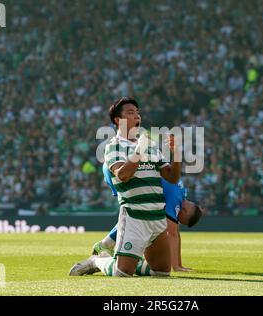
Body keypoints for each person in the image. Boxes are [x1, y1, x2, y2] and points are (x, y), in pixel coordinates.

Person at [69, 97, 181, 277]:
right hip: (134, 216)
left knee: (161, 273)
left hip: (157, 217)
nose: (137, 116)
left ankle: (131, 260)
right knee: (122, 273)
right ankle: (97, 261)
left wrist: (176, 155)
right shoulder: (113, 147)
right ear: (117, 120)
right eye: (130, 112)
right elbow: (123, 175)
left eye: (138, 113)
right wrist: (138, 151)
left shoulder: (150, 145)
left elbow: (172, 177)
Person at [91, 162, 203, 272]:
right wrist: (177, 266)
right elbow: (173, 233)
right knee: (135, 212)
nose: (176, 219)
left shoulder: (182, 192)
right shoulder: (176, 200)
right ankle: (110, 249)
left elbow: (174, 231)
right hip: (120, 170)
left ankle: (106, 245)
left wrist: (178, 264)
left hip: (115, 166)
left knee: (139, 213)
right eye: (179, 218)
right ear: (185, 210)